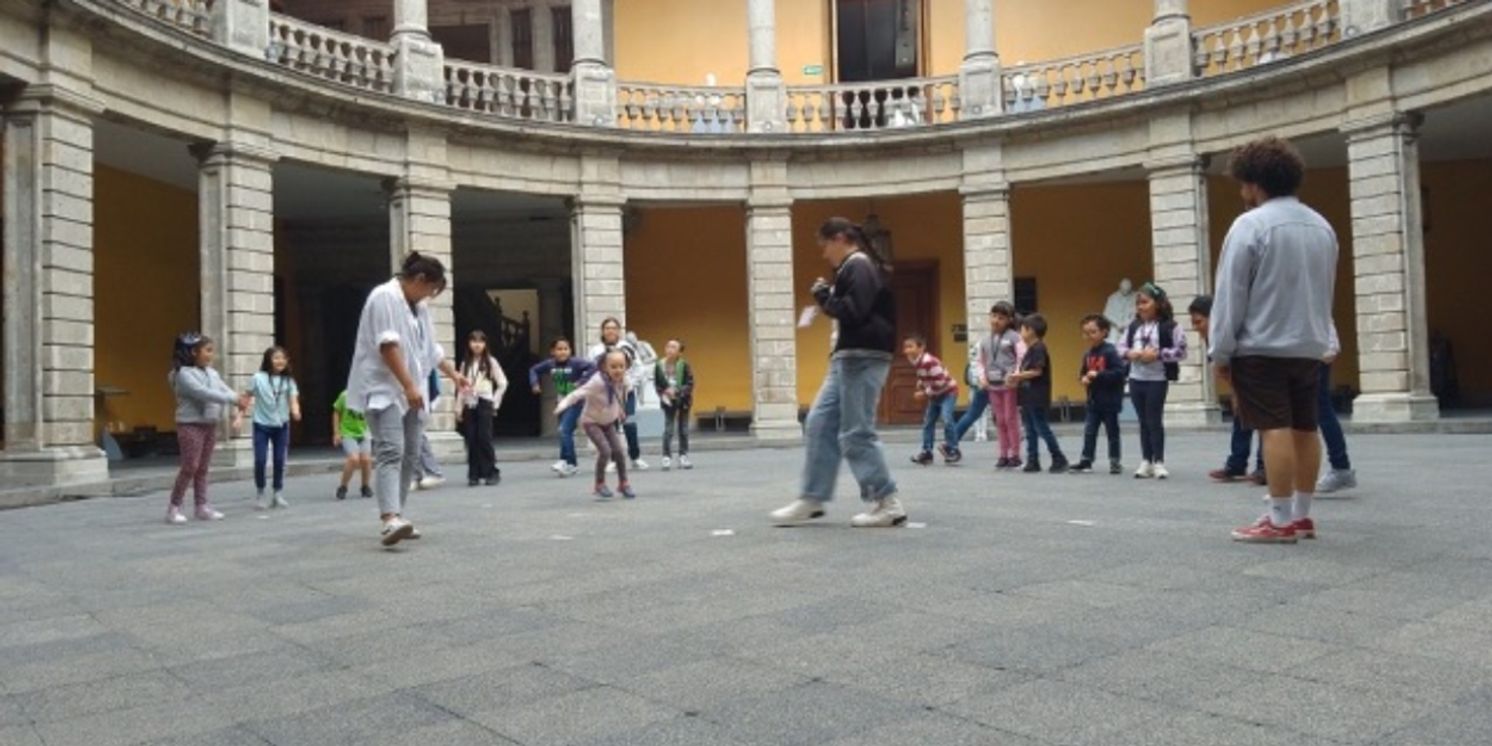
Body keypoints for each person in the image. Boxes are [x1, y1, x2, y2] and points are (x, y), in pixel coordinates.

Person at [1211, 136, 1337, 544]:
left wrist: (1221, 350)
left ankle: (1278, 518)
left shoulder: (1251, 225)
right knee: (1306, 427)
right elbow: (1323, 289)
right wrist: (1324, 338)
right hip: (1308, 346)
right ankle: (1301, 514)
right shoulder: (1322, 225)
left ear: (1254, 182)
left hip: (1262, 346)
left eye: (1243, 183)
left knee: (1273, 428)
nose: (1242, 192)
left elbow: (1232, 294)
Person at [771, 217, 906, 528]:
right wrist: (830, 296)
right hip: (846, 357)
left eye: (825, 245)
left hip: (861, 356)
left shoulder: (858, 264)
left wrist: (823, 296)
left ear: (841, 238)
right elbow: (853, 308)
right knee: (819, 422)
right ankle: (812, 498)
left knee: (856, 431)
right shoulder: (855, 268)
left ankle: (887, 501)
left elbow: (853, 311)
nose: (824, 253)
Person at [345, 252, 468, 547]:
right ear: (420, 280)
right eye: (432, 289)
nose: (431, 295)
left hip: (411, 388)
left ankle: (398, 514)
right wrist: (409, 385)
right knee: (391, 449)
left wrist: (453, 374)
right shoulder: (384, 297)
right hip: (383, 387)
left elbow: (430, 348)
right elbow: (388, 346)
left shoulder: (419, 305)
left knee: (411, 452)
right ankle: (389, 519)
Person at [166, 333, 250, 525]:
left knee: (203, 468)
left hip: (209, 423)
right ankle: (174, 507)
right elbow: (203, 393)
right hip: (190, 424)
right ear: (193, 352)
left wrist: (238, 397)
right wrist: (233, 399)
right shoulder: (183, 374)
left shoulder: (212, 372)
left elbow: (222, 388)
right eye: (208, 350)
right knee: (190, 466)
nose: (211, 355)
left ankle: (201, 506)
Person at [1192, 295, 1267, 485]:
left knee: (1262, 422)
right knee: (1240, 418)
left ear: (1213, 318)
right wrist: (1236, 392)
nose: (1196, 327)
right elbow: (1223, 369)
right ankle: (1236, 464)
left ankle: (1264, 468)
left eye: (1199, 321)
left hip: (1257, 376)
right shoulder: (1211, 338)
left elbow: (1238, 364)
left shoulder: (1228, 334)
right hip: (1241, 379)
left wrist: (1239, 392)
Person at [1118, 282, 1187, 480]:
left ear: (1158, 303)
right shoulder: (1134, 327)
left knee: (1154, 419)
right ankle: (1145, 460)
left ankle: (1159, 461)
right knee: (1142, 421)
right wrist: (1132, 353)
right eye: (1138, 303)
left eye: (1145, 302)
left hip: (1157, 378)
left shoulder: (1171, 326)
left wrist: (1158, 355)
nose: (1140, 307)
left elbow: (1181, 351)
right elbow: (1119, 348)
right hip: (1136, 378)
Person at [556, 349, 636, 499]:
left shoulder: (624, 380)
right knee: (605, 451)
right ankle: (599, 484)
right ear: (605, 367)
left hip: (608, 420)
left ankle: (623, 483)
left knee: (619, 451)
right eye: (613, 366)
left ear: (626, 366)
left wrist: (620, 410)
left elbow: (621, 395)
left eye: (621, 366)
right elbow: (578, 393)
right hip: (591, 421)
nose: (618, 370)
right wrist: (563, 404)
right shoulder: (597, 381)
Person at [1007, 313, 1068, 473]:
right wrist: (1016, 379)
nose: (1020, 333)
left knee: (1041, 427)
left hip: (1037, 395)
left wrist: (1017, 376)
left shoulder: (1039, 348)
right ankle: (1033, 459)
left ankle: (1058, 457)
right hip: (1027, 395)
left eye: (1023, 329)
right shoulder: (1029, 350)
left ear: (1031, 331)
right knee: (1030, 429)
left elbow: (1037, 371)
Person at [588, 318, 648, 471]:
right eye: (607, 328)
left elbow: (639, 368)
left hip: (626, 393)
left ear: (619, 330)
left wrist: (630, 382)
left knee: (629, 423)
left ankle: (635, 457)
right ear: (602, 331)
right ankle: (615, 460)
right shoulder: (596, 351)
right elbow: (590, 370)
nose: (610, 331)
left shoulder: (627, 347)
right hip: (606, 394)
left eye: (614, 328)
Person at [246, 346, 301, 510]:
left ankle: (277, 493)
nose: (280, 361)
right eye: (276, 358)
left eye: (283, 358)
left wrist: (296, 411)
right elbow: (246, 397)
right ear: (268, 360)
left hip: (281, 425)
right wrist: (238, 417)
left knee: (279, 460)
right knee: (260, 460)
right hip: (261, 424)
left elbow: (293, 399)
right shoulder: (258, 378)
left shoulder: (288, 380)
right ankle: (260, 492)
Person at [530, 337, 594, 478]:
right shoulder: (550, 364)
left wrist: (581, 381)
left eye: (566, 349)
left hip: (576, 401)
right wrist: (534, 383)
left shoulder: (576, 363)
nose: (563, 352)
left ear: (570, 350)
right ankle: (564, 460)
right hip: (561, 402)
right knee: (565, 432)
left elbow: (593, 367)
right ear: (552, 351)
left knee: (564, 429)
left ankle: (571, 464)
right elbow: (533, 370)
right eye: (559, 349)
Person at [1071, 315, 1126, 474]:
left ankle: (1115, 461)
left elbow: (1119, 372)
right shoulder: (1087, 354)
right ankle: (1086, 459)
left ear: (1104, 332)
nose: (1088, 336)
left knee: (1112, 433)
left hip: (1110, 400)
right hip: (1093, 401)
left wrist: (1099, 375)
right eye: (1085, 333)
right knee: (1089, 431)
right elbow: (1082, 373)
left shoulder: (1110, 351)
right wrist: (1083, 379)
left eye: (1092, 332)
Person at [458, 330, 508, 487]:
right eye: (473, 341)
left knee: (484, 438)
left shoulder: (491, 362)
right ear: (469, 343)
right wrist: (458, 407)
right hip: (469, 403)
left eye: (480, 341)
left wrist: (495, 401)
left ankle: (491, 472)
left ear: (485, 344)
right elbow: (461, 387)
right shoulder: (465, 363)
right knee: (471, 439)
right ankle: (473, 474)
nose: (477, 344)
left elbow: (503, 383)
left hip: (485, 401)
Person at [903, 334, 961, 465]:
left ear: (921, 348)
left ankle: (953, 449)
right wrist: (921, 382)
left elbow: (940, 382)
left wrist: (924, 393)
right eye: (905, 347)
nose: (907, 350)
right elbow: (926, 376)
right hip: (935, 394)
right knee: (928, 422)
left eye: (910, 347)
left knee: (947, 418)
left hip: (948, 392)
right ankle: (927, 452)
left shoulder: (928, 361)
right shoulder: (916, 361)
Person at [1315, 330, 1357, 494]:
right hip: (1313, 349)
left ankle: (1340, 467)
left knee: (1319, 409)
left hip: (1311, 351)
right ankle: (1340, 467)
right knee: (1319, 409)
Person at [983, 302, 1024, 469]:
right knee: (999, 420)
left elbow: (1021, 357)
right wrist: (982, 377)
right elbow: (981, 361)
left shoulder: (1014, 337)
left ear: (1009, 320)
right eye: (993, 316)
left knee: (1010, 418)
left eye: (1001, 318)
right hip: (993, 385)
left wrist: (1015, 375)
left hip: (1009, 384)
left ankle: (1015, 454)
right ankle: (1003, 454)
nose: (996, 321)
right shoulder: (986, 340)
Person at [654, 339, 695, 471]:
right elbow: (657, 384)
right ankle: (666, 456)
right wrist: (664, 392)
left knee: (683, 429)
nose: (669, 349)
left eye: (673, 347)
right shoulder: (659, 365)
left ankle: (683, 455)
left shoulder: (684, 365)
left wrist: (678, 391)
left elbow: (690, 383)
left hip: (683, 400)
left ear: (679, 352)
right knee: (668, 429)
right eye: (668, 346)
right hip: (667, 400)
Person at [332, 389, 373, 500]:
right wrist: (337, 432)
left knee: (366, 459)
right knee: (353, 459)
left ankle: (365, 486)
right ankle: (343, 486)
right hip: (348, 433)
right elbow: (336, 411)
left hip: (364, 433)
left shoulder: (369, 396)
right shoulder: (345, 395)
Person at [412, 370, 447, 491]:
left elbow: (434, 385)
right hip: (408, 399)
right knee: (414, 437)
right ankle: (417, 475)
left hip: (419, 400)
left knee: (416, 437)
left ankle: (431, 472)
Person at [952, 341, 989, 444]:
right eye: (972, 353)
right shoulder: (971, 365)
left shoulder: (982, 363)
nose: (972, 354)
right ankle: (978, 433)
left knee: (981, 412)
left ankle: (983, 432)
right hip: (976, 388)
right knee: (975, 413)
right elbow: (966, 378)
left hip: (983, 386)